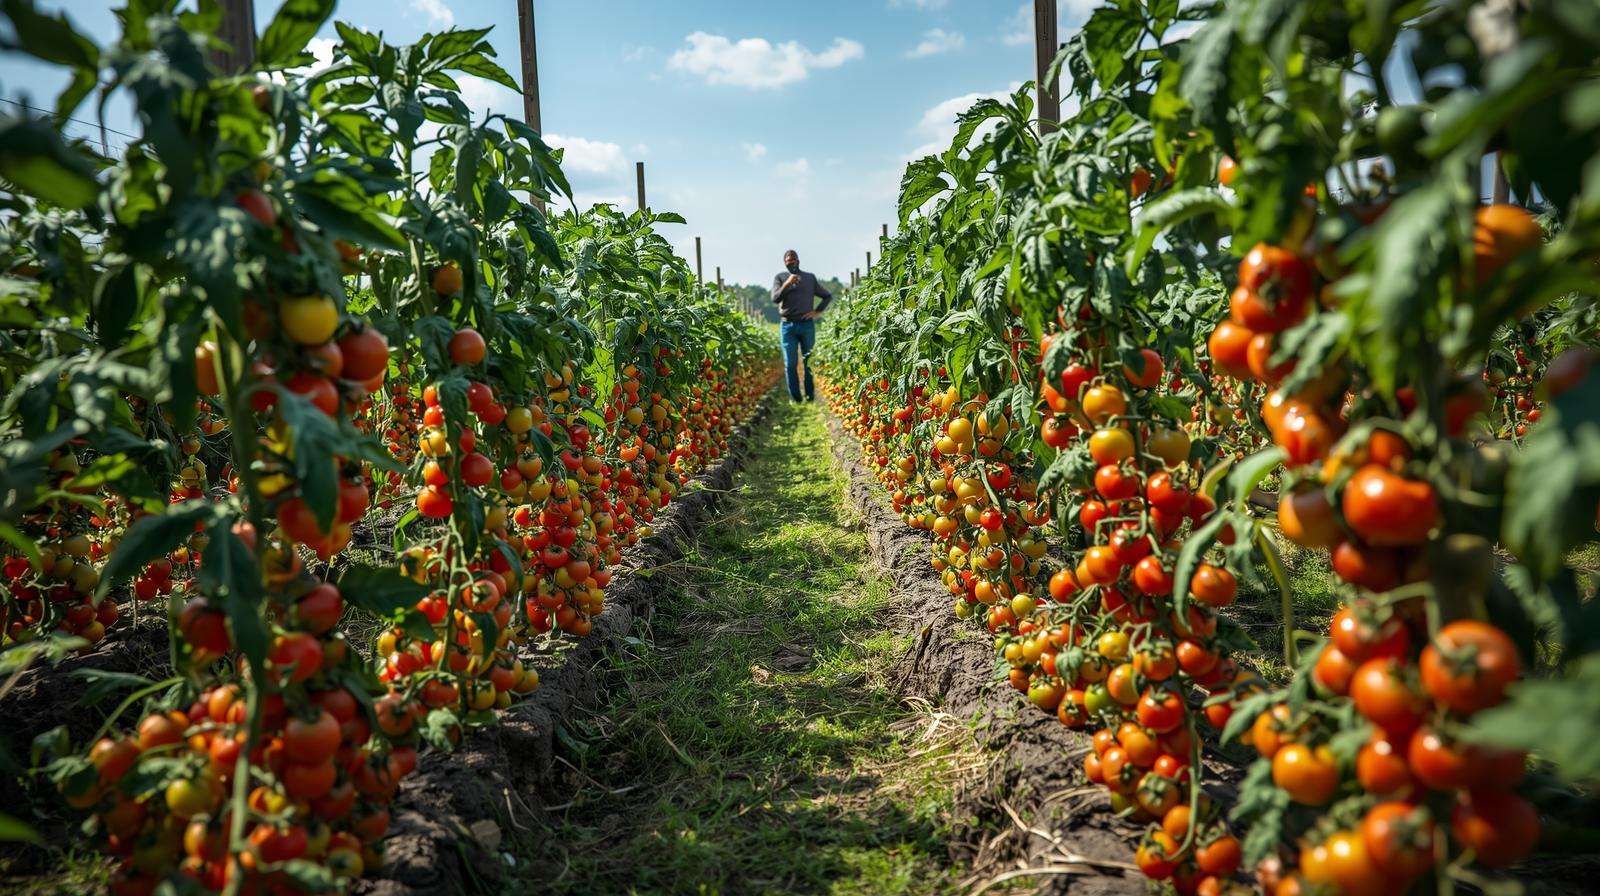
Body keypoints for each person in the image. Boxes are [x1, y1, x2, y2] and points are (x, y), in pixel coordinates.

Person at [770, 249, 832, 402]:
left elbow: (827, 296)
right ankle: (796, 398)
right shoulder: (780, 278)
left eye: (794, 260)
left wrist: (817, 312)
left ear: (798, 260)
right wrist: (787, 283)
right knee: (790, 364)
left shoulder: (809, 278)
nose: (791, 263)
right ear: (785, 263)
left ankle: (810, 396)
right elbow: (775, 298)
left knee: (808, 362)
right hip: (787, 325)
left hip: (806, 325)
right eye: (788, 261)